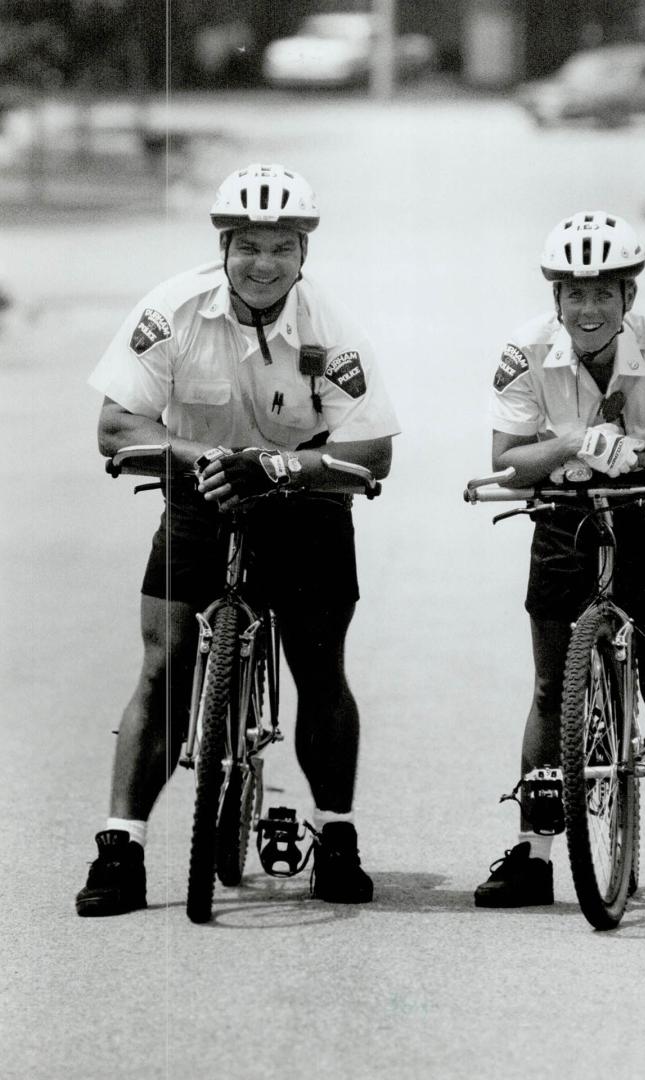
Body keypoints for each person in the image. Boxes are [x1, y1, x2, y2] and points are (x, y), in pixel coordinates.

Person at [76, 163, 399, 915]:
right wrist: (209, 461)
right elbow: (116, 425)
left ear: (303, 254)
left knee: (319, 671)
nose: (264, 264)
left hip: (304, 501)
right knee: (164, 667)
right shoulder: (172, 310)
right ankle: (119, 849)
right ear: (221, 246)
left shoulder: (332, 330)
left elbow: (372, 451)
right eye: (248, 246)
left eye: (281, 248)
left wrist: (279, 468)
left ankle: (337, 837)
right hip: (199, 493)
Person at [474, 210, 645, 919]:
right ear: (554, 299)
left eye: (605, 294)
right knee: (553, 688)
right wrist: (574, 446)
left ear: (627, 300)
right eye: (574, 294)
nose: (588, 309)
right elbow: (506, 458)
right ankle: (533, 853)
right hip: (565, 515)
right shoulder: (522, 351)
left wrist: (640, 454)